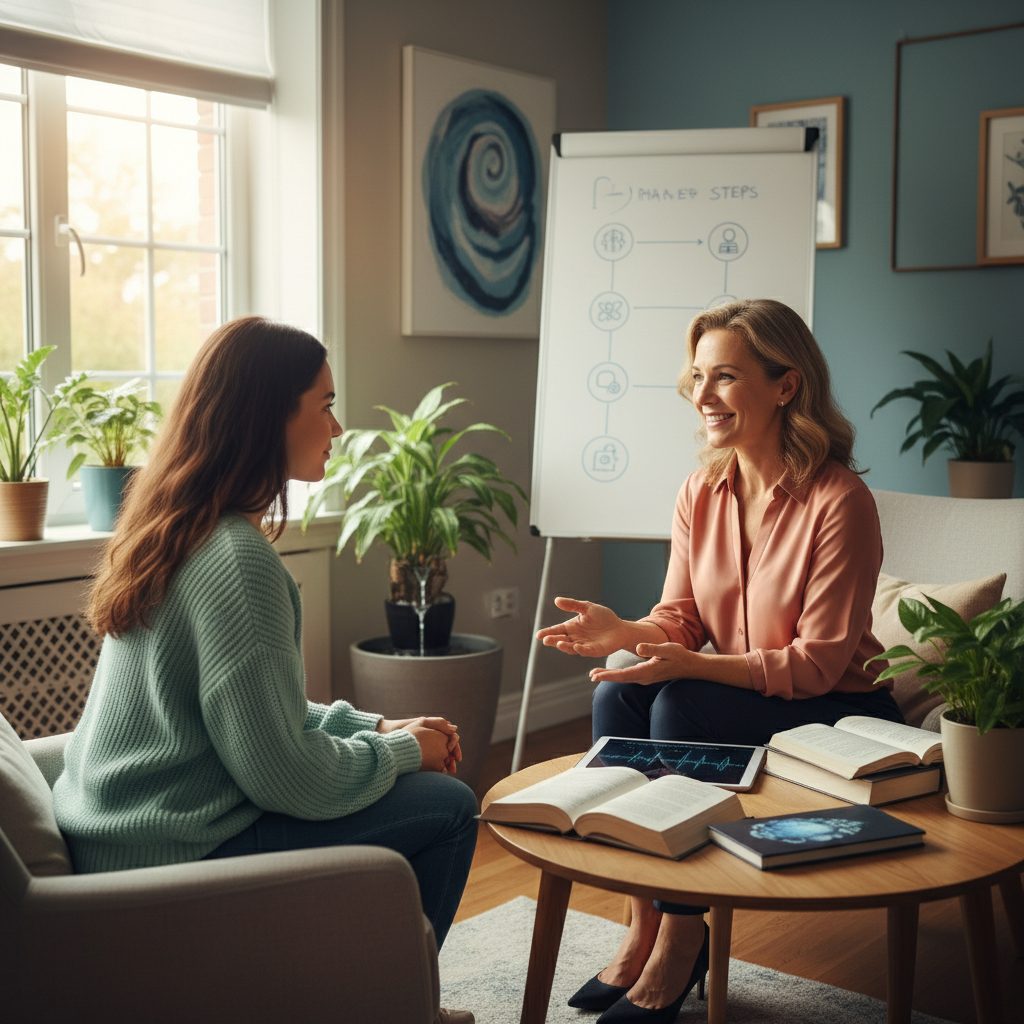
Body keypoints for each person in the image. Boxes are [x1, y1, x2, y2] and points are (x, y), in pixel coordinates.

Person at [53, 316, 477, 1024]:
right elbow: (287, 775)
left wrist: (374, 723)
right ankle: (394, 1004)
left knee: (417, 782)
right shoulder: (236, 558)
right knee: (451, 808)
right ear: (267, 414)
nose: (337, 429)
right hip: (172, 851)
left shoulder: (177, 524)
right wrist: (404, 752)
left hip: (121, 830)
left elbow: (253, 711)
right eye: (326, 405)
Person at [536, 298, 903, 1024]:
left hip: (839, 704)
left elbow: (817, 664)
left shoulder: (842, 501)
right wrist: (628, 632)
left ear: (785, 385)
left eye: (725, 378)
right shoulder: (702, 490)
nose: (701, 396)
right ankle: (641, 923)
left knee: (681, 703)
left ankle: (681, 939)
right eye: (698, 377)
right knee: (617, 695)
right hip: (742, 690)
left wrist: (685, 665)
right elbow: (683, 618)